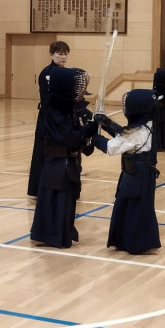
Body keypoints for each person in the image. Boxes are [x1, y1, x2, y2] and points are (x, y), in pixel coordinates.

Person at [30, 66, 97, 248]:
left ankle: (62, 233)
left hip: (67, 163)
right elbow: (67, 137)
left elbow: (76, 136)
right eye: (76, 87)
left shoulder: (67, 109)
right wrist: (87, 130)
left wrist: (88, 133)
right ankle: (52, 235)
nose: (79, 91)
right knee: (56, 201)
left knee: (66, 202)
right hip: (57, 164)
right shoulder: (55, 112)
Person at [92, 89, 161, 255]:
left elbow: (112, 147)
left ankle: (139, 244)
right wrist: (106, 123)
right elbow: (123, 134)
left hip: (137, 175)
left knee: (136, 209)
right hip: (138, 174)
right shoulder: (147, 125)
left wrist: (94, 138)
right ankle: (125, 240)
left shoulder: (138, 133)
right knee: (127, 206)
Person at [27, 41, 70, 203]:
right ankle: (38, 190)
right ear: (51, 55)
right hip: (48, 119)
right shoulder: (47, 73)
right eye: (59, 54)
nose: (63, 57)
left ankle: (58, 188)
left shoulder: (66, 73)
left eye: (65, 54)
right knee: (42, 153)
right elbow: (49, 100)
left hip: (62, 119)